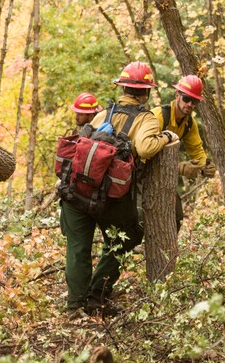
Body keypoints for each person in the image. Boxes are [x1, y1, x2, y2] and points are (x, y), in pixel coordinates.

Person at [59, 62, 178, 316]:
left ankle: (75, 305)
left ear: (122, 87)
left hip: (77, 188)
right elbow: (146, 148)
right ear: (145, 92)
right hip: (108, 196)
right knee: (128, 235)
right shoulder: (146, 118)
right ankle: (95, 295)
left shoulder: (104, 113)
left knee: (78, 246)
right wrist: (166, 137)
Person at [151, 75, 216, 231]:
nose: (190, 104)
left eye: (195, 101)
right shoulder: (158, 117)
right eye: (186, 98)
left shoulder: (189, 124)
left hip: (164, 178)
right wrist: (179, 168)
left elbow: (197, 150)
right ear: (177, 95)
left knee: (176, 218)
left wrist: (204, 166)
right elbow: (145, 154)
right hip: (141, 175)